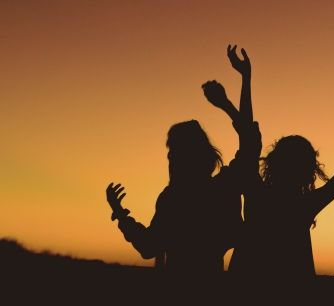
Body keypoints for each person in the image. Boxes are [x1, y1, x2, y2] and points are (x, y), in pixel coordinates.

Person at [208, 45, 334, 280]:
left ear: (274, 162)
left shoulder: (257, 193)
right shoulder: (306, 204)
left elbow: (248, 136)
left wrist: (245, 80)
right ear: (309, 171)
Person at [105, 58, 257, 277]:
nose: (170, 156)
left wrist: (120, 213)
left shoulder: (173, 199)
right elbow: (250, 143)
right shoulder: (221, 189)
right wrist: (236, 91)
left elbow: (148, 247)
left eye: (173, 151)